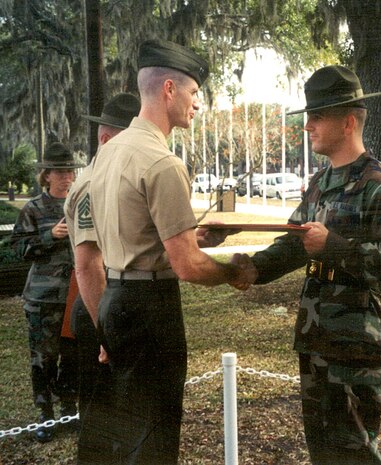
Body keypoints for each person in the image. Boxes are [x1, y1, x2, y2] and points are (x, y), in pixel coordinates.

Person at [233, 65, 381, 465]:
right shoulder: (320, 183)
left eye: (317, 117)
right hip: (317, 337)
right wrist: (253, 269)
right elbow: (295, 243)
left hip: (354, 345)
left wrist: (334, 247)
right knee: (325, 452)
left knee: (354, 452)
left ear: (348, 121)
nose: (308, 126)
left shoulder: (380, 184)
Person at [85, 39, 249, 465]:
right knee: (155, 438)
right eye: (195, 93)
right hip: (149, 309)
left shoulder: (108, 154)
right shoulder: (162, 162)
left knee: (130, 431)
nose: (198, 104)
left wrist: (192, 237)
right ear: (170, 90)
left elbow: (130, 233)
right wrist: (233, 271)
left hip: (114, 301)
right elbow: (188, 267)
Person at [63, 92, 140, 462]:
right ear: (106, 140)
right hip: (99, 309)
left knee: (121, 423)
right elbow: (88, 266)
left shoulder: (113, 180)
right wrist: (106, 334)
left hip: (112, 308)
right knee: (98, 425)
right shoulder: (94, 186)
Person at [10, 141, 85, 443]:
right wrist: (48, 236)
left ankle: (68, 409)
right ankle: (45, 415)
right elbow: (17, 249)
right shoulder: (34, 208)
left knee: (73, 357)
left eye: (70, 171)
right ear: (47, 176)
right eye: (60, 172)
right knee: (44, 358)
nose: (67, 177)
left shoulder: (81, 205)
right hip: (43, 298)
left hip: (76, 296)